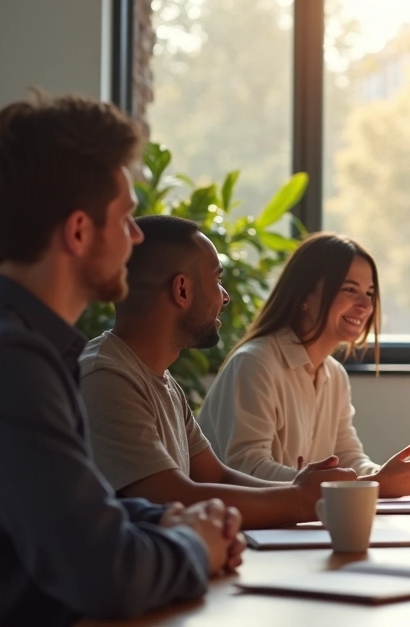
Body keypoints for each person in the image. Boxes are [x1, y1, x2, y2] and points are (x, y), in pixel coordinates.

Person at [0, 94, 242, 625]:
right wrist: (195, 546)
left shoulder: (23, 345)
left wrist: (165, 520)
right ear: (80, 231)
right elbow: (103, 573)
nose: (137, 239)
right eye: (128, 219)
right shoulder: (7, 361)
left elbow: (73, 512)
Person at [80, 215, 358, 528]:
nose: (225, 296)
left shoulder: (162, 380)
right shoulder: (107, 378)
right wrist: (299, 501)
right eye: (216, 280)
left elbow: (218, 475)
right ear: (182, 290)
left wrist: (301, 489)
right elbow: (172, 496)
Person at [201, 232, 410, 496]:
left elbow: (349, 457)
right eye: (349, 290)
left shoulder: (334, 375)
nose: (365, 305)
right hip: (245, 529)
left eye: (369, 293)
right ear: (305, 295)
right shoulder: (255, 363)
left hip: (296, 525)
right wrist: (372, 486)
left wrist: (383, 476)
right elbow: (246, 468)